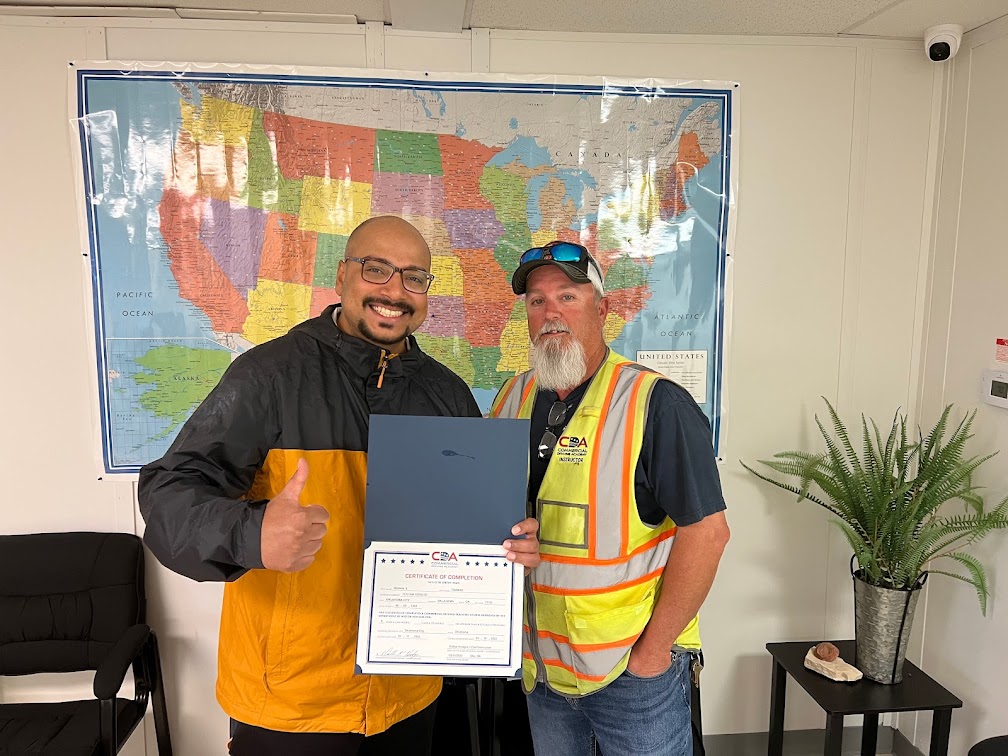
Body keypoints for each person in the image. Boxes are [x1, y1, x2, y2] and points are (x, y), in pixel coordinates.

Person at [138, 215, 541, 756]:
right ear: (342, 275)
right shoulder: (270, 375)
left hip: (411, 695)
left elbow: (474, 522)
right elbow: (168, 497)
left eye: (414, 277)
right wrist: (249, 533)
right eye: (377, 270)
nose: (395, 292)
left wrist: (511, 541)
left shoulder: (448, 395)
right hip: (291, 702)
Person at [490, 240, 730, 756]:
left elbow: (708, 534)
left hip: (633, 675)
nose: (550, 312)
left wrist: (652, 653)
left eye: (567, 296)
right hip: (544, 673)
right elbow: (491, 518)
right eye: (536, 301)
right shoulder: (510, 399)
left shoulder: (656, 403)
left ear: (602, 309)